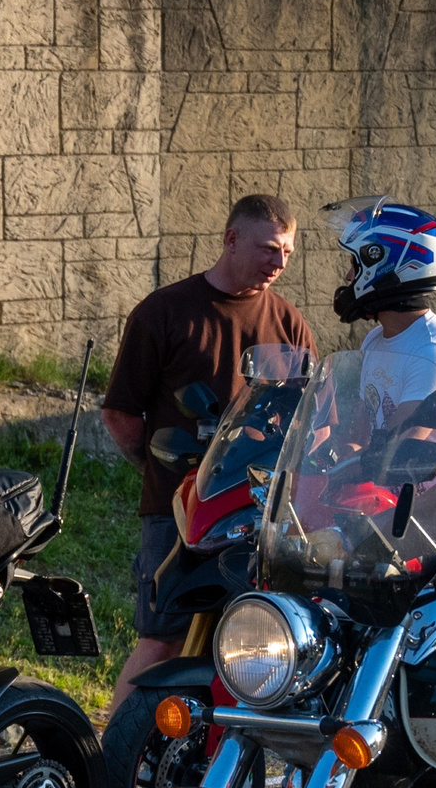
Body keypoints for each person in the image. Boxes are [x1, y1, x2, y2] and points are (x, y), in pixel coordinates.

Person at [101, 194, 319, 711]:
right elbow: (121, 416)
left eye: (287, 252)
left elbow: (311, 415)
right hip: (179, 512)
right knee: (162, 639)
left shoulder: (289, 324)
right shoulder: (164, 312)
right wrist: (163, 475)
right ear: (230, 240)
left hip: (262, 518)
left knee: (257, 646)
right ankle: (118, 750)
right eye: (269, 248)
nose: (280, 262)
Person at [325, 197, 436, 605]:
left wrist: (362, 460)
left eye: (355, 265)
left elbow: (398, 448)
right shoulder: (376, 341)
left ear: (385, 266)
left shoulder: (435, 353)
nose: (348, 276)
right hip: (397, 506)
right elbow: (361, 435)